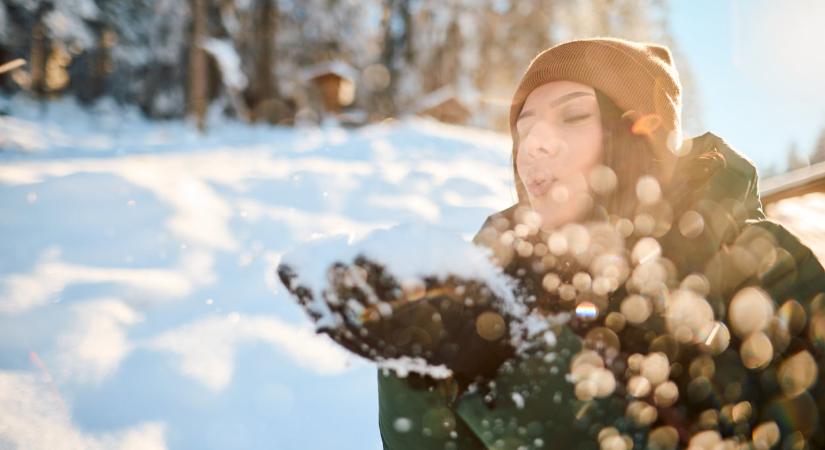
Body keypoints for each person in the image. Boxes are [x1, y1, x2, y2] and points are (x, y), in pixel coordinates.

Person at [377, 37, 825, 449]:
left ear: (637, 137)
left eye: (573, 116)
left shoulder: (766, 268)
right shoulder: (499, 286)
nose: (534, 145)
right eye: (523, 128)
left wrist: (518, 378)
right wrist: (413, 376)